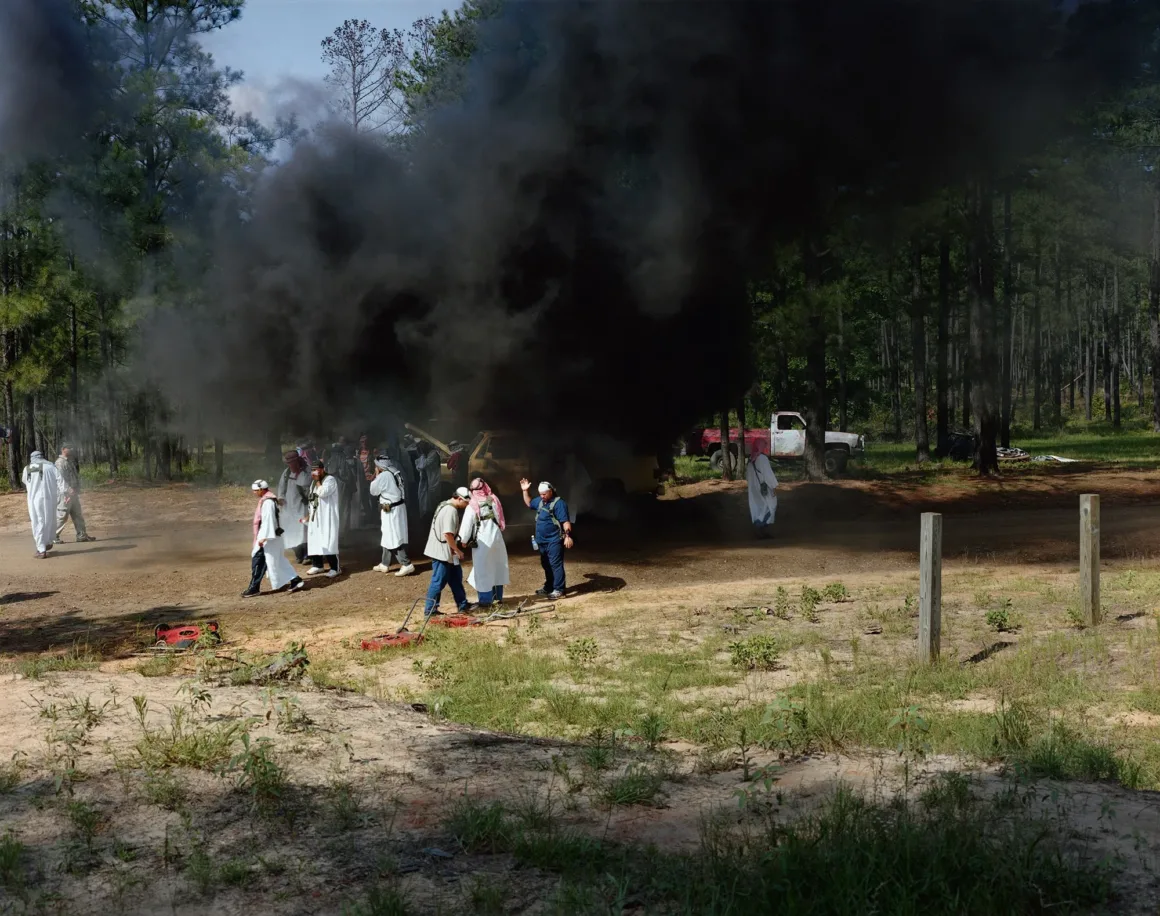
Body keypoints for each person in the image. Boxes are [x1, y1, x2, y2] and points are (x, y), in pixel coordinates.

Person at [244, 480, 306, 597]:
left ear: (261, 490)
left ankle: (254, 588)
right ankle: (295, 580)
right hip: (271, 537)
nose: (254, 493)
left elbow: (269, 521)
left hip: (268, 538)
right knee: (279, 561)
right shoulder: (268, 500)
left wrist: (264, 537)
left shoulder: (268, 502)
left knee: (258, 561)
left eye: (256, 490)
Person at [422, 487, 474, 616]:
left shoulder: (445, 504)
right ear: (460, 499)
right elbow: (447, 534)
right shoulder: (450, 510)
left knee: (456, 578)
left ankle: (463, 605)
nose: (467, 505)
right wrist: (457, 550)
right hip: (442, 552)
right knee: (438, 581)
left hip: (447, 551)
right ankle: (430, 610)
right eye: (466, 502)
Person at [459, 477, 509, 607]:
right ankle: (498, 598)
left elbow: (466, 525)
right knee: (497, 567)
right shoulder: (494, 500)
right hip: (497, 538)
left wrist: (463, 540)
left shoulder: (472, 505)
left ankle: (486, 601)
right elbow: (500, 518)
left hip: (482, 541)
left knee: (482, 569)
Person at [521, 479, 573, 600]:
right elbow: (529, 503)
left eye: (544, 494)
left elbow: (565, 522)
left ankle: (559, 590)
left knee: (555, 565)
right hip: (542, 541)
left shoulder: (559, 504)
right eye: (540, 494)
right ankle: (549, 587)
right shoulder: (540, 501)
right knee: (546, 564)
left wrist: (567, 536)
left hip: (554, 540)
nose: (542, 496)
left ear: (551, 491)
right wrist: (525, 491)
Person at [370, 455, 415, 576]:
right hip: (396, 508)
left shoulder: (384, 475)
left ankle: (406, 564)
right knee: (388, 535)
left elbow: (373, 491)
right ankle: (385, 563)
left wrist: (377, 475)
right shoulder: (395, 470)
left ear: (380, 466)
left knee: (393, 536)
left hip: (391, 509)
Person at [301, 460, 341, 577]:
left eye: (316, 469)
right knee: (315, 539)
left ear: (322, 469)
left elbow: (323, 492)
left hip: (327, 516)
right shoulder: (314, 483)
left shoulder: (330, 480)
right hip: (316, 516)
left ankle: (335, 568)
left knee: (328, 540)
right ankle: (317, 565)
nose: (314, 472)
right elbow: (312, 498)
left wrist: (318, 481)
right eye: (312, 470)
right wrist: (309, 514)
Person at [54, 443, 95, 544]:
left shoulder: (69, 461)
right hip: (65, 494)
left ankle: (81, 535)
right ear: (63, 449)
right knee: (62, 515)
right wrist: (67, 491)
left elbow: (73, 476)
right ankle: (53, 536)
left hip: (73, 493)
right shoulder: (59, 462)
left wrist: (76, 489)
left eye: (72, 447)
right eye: (69, 448)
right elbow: (61, 479)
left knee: (77, 514)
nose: (71, 449)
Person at [23, 450, 61, 559]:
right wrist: (65, 493)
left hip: (34, 500)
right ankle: (47, 542)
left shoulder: (27, 469)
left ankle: (41, 550)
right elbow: (60, 480)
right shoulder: (51, 467)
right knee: (49, 520)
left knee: (37, 522)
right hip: (49, 499)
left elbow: (25, 481)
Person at [277, 450, 311, 564]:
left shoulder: (306, 472)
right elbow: (281, 487)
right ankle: (298, 554)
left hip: (302, 506)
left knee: (304, 531)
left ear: (297, 461)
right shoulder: (286, 473)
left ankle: (307, 555)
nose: (290, 465)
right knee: (290, 530)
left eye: (291, 463)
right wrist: (281, 498)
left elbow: (308, 486)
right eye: (288, 463)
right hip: (288, 507)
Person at [746, 451, 779, 538]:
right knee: (771, 505)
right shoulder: (763, 458)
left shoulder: (750, 459)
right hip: (764, 487)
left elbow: (748, 476)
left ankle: (761, 530)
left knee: (758, 507)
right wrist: (773, 486)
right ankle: (761, 528)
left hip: (754, 489)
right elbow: (768, 474)